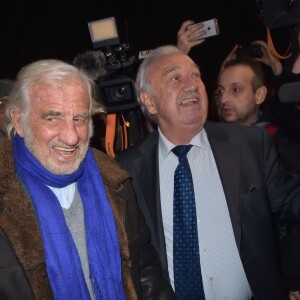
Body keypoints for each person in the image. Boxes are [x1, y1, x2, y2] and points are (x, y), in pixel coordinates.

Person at [115, 45, 300, 299]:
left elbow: (293, 208)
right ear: (149, 100)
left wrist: (292, 275)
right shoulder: (126, 170)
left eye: (196, 75)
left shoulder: (250, 146)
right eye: (175, 77)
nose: (192, 85)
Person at [0, 59, 175, 299]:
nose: (71, 137)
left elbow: (146, 271)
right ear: (19, 122)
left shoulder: (117, 183)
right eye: (53, 117)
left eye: (80, 119)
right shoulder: (4, 196)